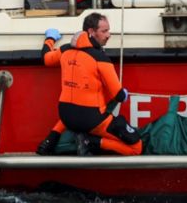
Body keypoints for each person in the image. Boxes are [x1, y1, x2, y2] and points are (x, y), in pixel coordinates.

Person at [41, 13, 143, 156]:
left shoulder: (65, 50)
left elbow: (46, 59)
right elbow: (118, 95)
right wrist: (124, 94)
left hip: (65, 116)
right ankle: (91, 142)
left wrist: (50, 39)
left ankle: (49, 141)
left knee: (74, 106)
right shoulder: (101, 59)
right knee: (136, 147)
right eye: (104, 31)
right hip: (92, 120)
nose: (109, 35)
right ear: (91, 32)